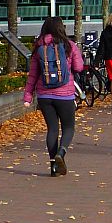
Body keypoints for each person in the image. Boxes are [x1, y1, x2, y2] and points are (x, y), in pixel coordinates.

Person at [23, 17, 85, 177]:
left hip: (44, 95)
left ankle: (53, 167)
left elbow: (33, 75)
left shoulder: (38, 47)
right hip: (64, 94)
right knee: (69, 128)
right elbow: (79, 67)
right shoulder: (68, 46)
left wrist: (28, 96)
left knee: (52, 129)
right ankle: (61, 154)